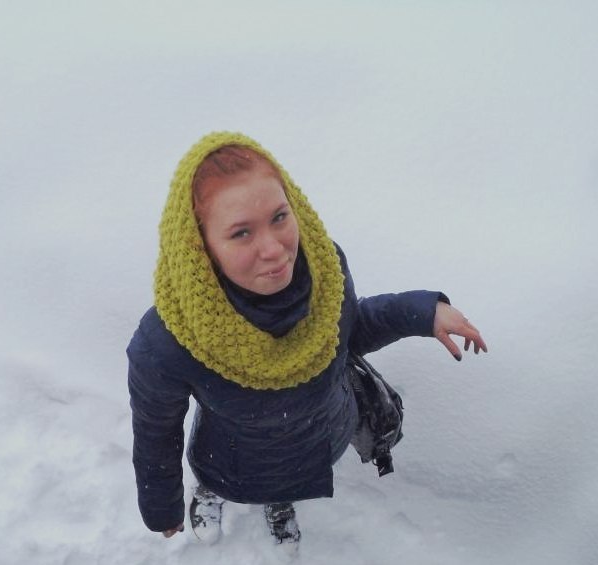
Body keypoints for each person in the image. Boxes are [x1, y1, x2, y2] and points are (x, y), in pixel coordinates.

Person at [127, 131, 487, 548]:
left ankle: (280, 502)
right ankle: (209, 494)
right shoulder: (168, 340)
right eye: (241, 233)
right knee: (225, 482)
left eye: (279, 217)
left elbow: (349, 331)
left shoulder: (324, 269)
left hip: (319, 437)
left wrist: (423, 312)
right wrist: (162, 506)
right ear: (199, 245)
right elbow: (156, 433)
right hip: (231, 459)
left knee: (284, 486)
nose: (274, 249)